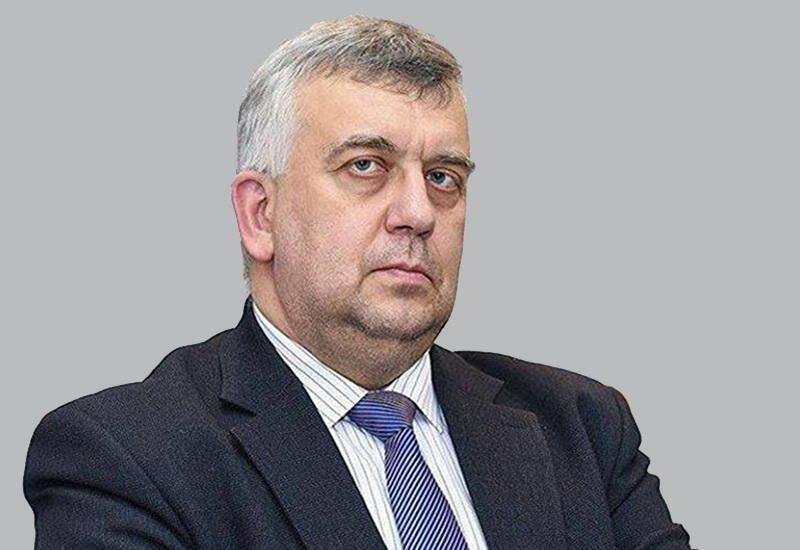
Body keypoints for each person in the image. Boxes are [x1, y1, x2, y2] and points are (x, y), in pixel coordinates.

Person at [23, 15, 692, 550]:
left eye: (443, 177)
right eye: (366, 166)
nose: (419, 213)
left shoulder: (580, 426)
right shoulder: (125, 459)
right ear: (261, 215)